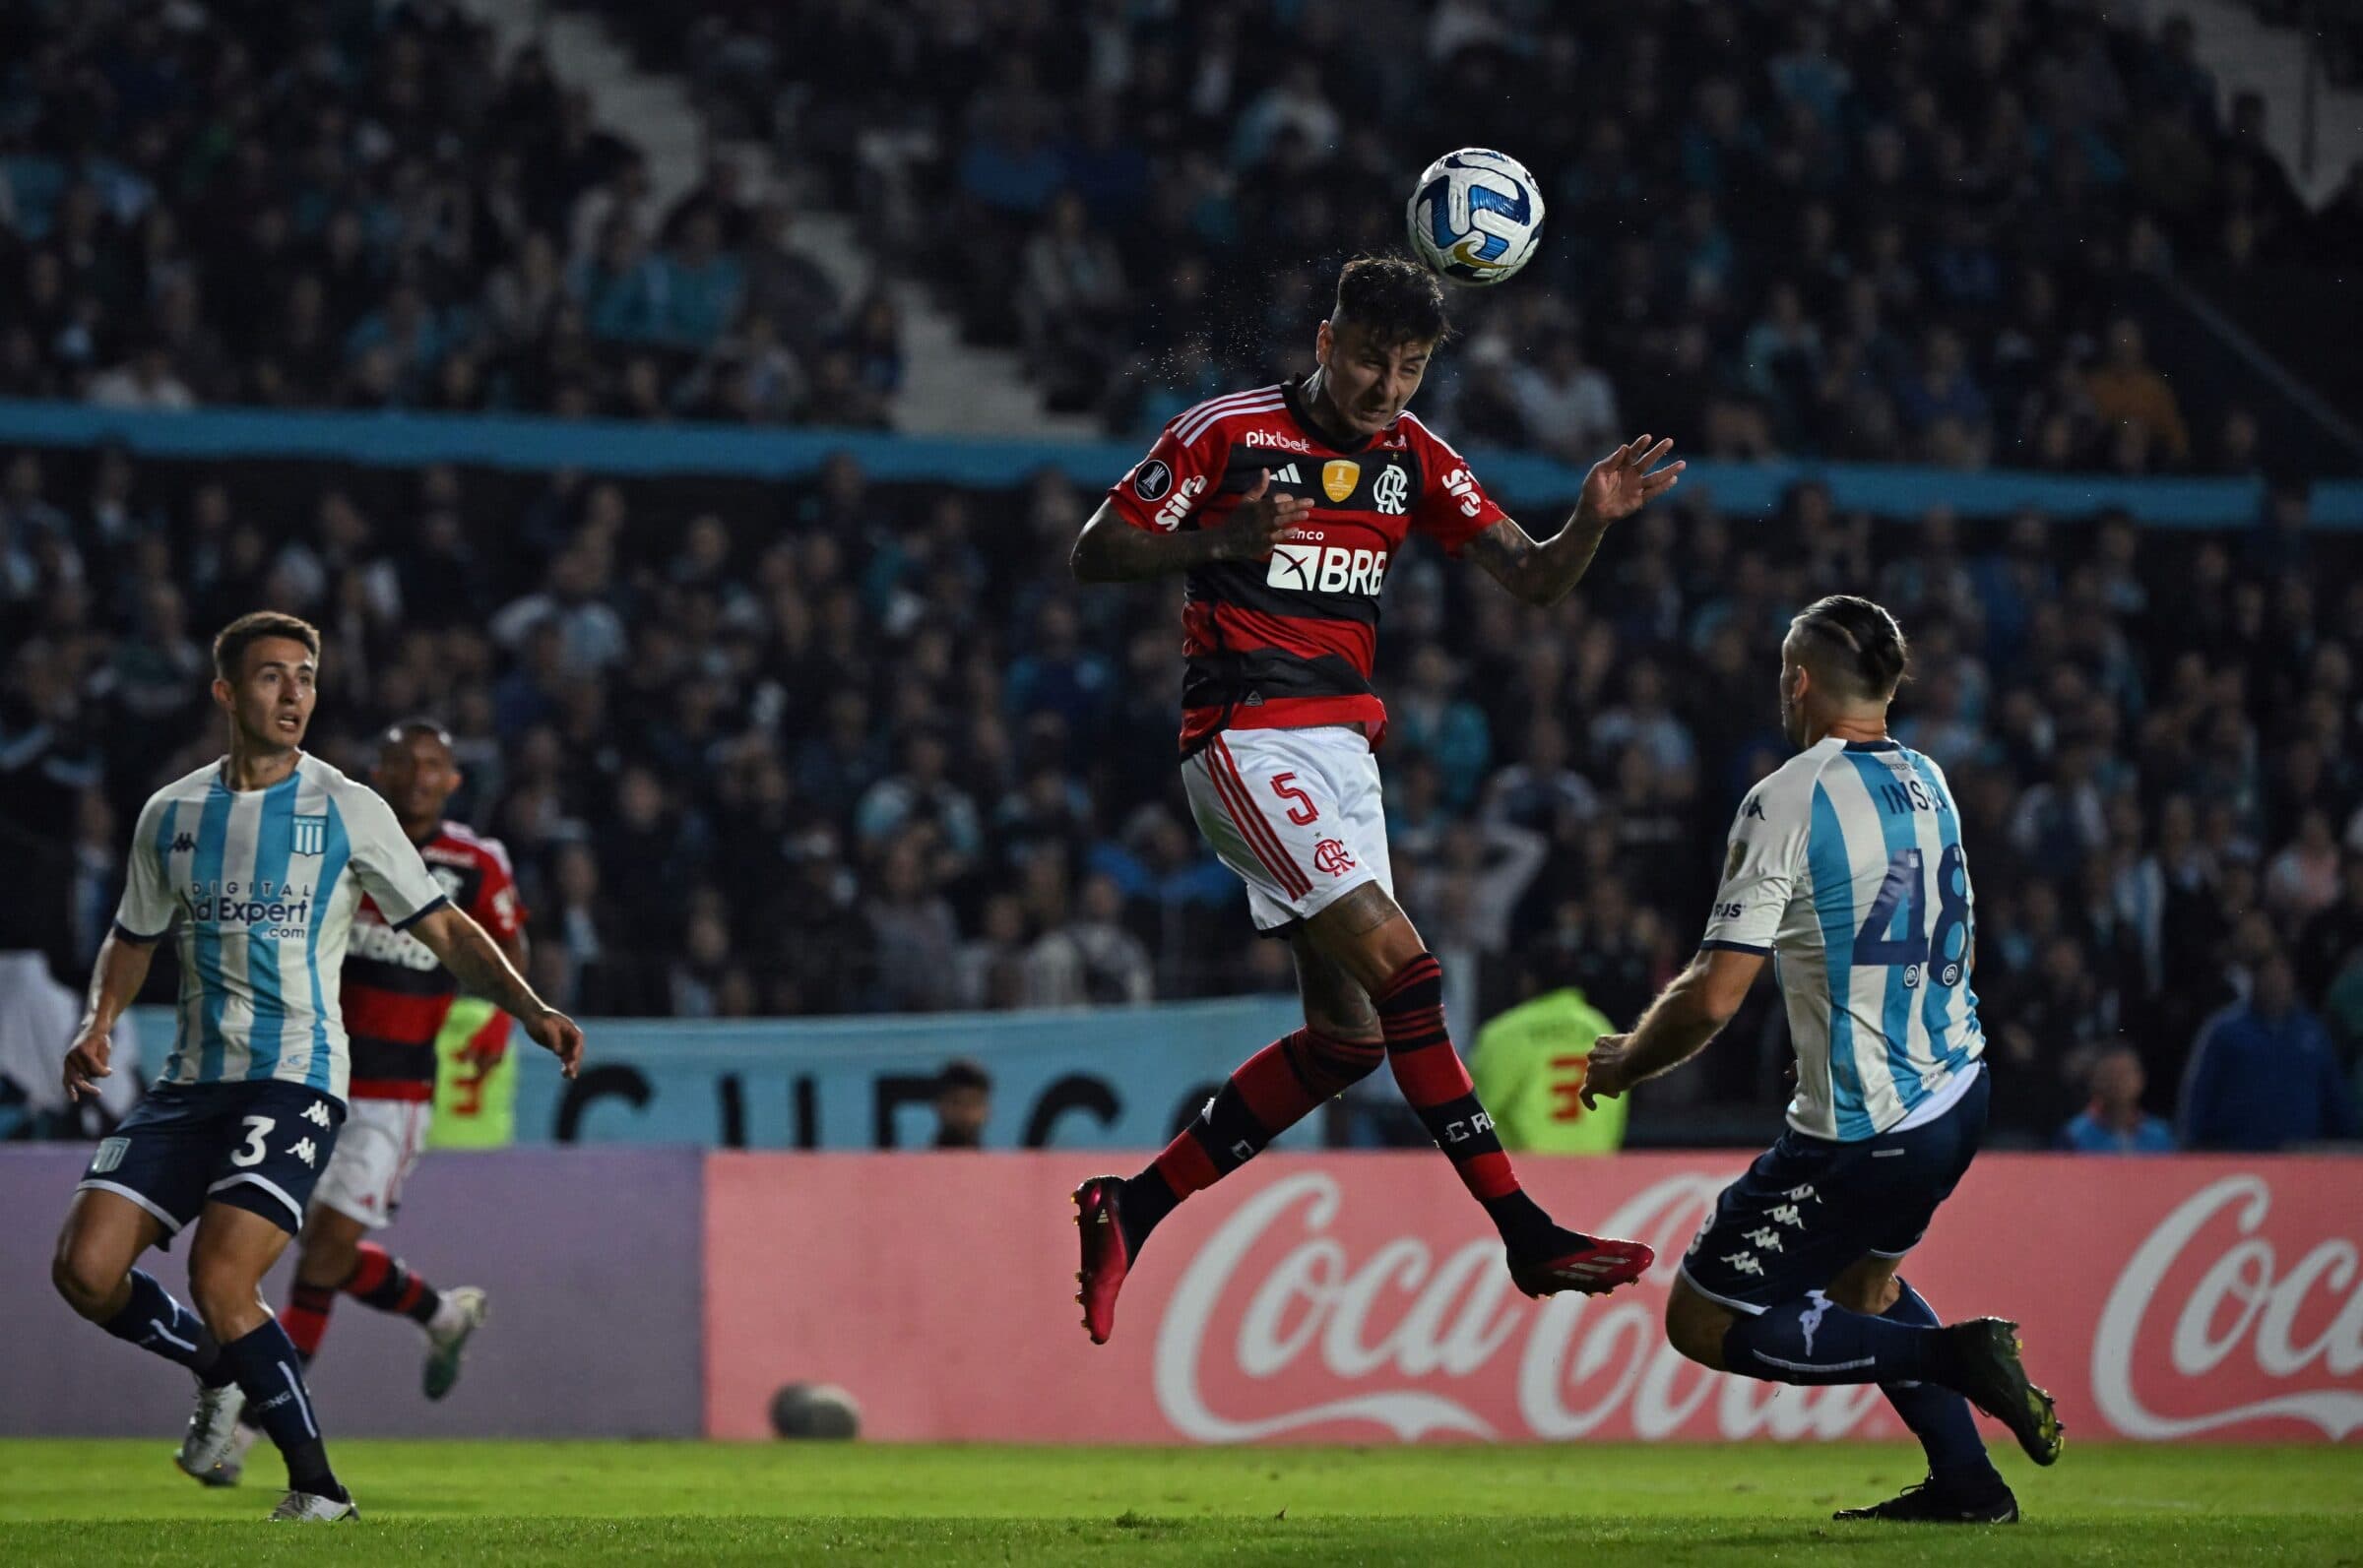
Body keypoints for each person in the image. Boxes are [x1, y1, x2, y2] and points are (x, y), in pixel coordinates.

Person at [1065, 256, 1683, 1346]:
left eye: (1407, 368)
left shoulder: (1417, 458)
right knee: (1413, 975)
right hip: (1247, 737)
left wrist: (1590, 517)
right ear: (1324, 341)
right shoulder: (1226, 433)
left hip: (1345, 759)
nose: (1384, 388)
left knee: (1349, 1042)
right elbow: (1098, 550)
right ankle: (1524, 1228)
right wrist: (1219, 542)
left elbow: (1533, 578)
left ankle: (1134, 1205)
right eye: (1367, 361)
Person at [47, 612, 584, 1522]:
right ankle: (217, 1367)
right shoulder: (170, 813)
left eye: (306, 676)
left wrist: (529, 1006)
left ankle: (319, 1489)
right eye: (271, 676)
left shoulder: (346, 806)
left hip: (295, 1074)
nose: (294, 693)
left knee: (228, 1276)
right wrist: (98, 1020)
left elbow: (448, 927)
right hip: (187, 1082)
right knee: (85, 1270)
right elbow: (133, 936)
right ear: (225, 692)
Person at [1583, 596, 2062, 1524]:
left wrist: (1628, 1063)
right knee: (1863, 1285)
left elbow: (1716, 994)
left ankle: (1951, 1355)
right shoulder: (1930, 778)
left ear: (1798, 680)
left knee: (1703, 1317)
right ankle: (1970, 1488)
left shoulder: (1787, 796)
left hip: (1865, 1123)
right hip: (1959, 1090)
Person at [208, 719, 531, 1486]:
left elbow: (510, 949)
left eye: (433, 765)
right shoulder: (335, 843)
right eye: (403, 761)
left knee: (319, 1253)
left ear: (452, 780)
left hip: (393, 1096)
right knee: (309, 1249)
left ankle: (247, 1437)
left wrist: (496, 1017)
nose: (417, 775)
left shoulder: (474, 861)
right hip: (311, 1074)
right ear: (377, 769)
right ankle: (442, 1314)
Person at [2180, 950, 2360, 1151]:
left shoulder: (2312, 1032)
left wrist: (2351, 1139)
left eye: (2283, 974)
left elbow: (2334, 1093)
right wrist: (2190, 1142)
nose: (2277, 982)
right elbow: (2200, 1093)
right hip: (2238, 1152)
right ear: (2255, 980)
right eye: (2269, 975)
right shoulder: (2225, 1031)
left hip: (2301, 1154)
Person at [2056, 1045, 2176, 1153]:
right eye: (2109, 1075)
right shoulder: (2074, 1135)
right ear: (2093, 1081)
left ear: (2140, 1079)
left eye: (2124, 1074)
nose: (2117, 1082)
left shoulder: (2160, 1135)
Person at [931, 1058, 992, 1149]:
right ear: (938, 1105)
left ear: (987, 1109)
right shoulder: (916, 1162)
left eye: (974, 1103)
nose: (966, 1112)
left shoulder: (1002, 1162)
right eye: (956, 1102)